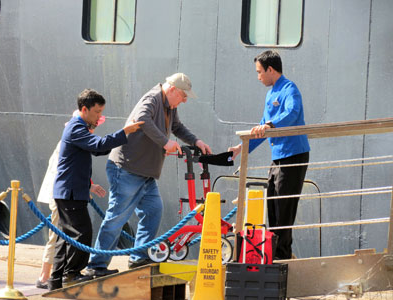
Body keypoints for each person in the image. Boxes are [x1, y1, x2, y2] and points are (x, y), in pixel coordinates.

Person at [86, 73, 212, 274]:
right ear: (171, 89)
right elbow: (142, 119)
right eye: (183, 95)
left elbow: (177, 127)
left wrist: (195, 141)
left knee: (153, 211)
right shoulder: (152, 98)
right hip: (126, 169)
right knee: (117, 217)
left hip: (144, 172)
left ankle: (139, 258)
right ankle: (96, 265)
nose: (185, 100)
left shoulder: (169, 106)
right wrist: (165, 142)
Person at [47, 89, 144, 291]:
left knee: (65, 237)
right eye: (97, 112)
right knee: (81, 233)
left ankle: (56, 280)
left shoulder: (79, 128)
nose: (99, 116)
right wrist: (124, 132)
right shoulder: (76, 128)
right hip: (70, 192)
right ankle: (71, 275)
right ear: (84, 109)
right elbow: (98, 144)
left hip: (70, 191)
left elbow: (98, 149)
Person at [228, 50, 310, 260]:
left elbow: (292, 112)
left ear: (270, 69)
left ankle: (282, 257)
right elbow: (261, 130)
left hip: (294, 155)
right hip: (278, 157)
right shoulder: (270, 94)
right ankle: (278, 254)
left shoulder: (290, 89)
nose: (258, 77)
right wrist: (241, 148)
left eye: (259, 72)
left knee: (284, 208)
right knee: (273, 204)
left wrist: (271, 124)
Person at [35, 113, 106, 289]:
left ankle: (52, 277)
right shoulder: (71, 140)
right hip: (62, 195)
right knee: (59, 235)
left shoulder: (70, 140)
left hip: (64, 193)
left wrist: (89, 186)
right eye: (93, 124)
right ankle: (46, 276)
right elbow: (65, 172)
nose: (94, 127)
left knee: (61, 235)